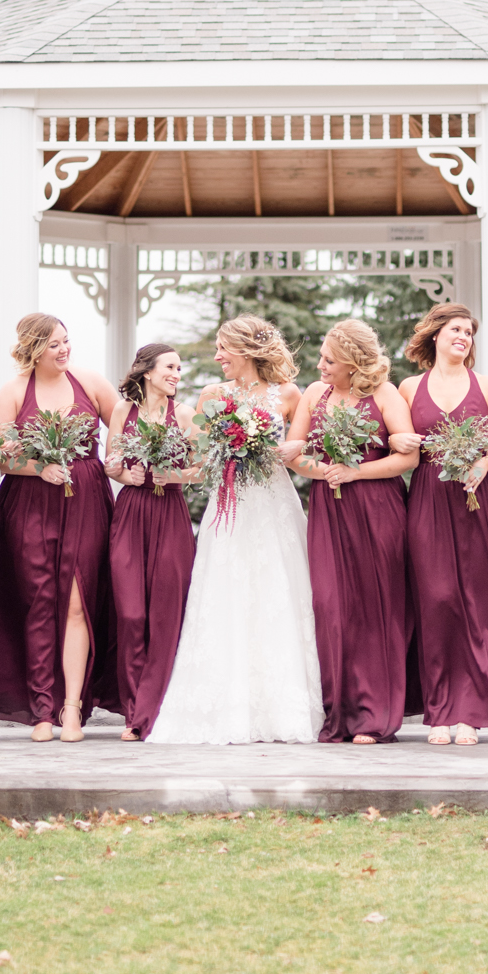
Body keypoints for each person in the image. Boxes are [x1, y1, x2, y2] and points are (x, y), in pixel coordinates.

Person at [149, 316, 323, 745]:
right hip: (230, 505)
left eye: (224, 348)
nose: (218, 357)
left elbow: (300, 452)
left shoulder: (287, 394)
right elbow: (203, 458)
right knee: (225, 592)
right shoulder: (213, 395)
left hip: (275, 505)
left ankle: (282, 707)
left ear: (246, 349)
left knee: (279, 593)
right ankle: (227, 705)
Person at [0, 314, 119, 743]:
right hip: (29, 504)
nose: (64, 350)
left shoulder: (91, 382)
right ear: (32, 349)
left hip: (86, 500)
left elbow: (128, 428)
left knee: (79, 601)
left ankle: (73, 708)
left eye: (67, 341)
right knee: (39, 602)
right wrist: (36, 467)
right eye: (54, 345)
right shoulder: (12, 393)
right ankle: (41, 708)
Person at [286, 320, 418, 743]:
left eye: (329, 359)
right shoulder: (313, 394)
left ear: (353, 363)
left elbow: (407, 459)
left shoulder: (385, 395)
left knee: (375, 606)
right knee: (331, 606)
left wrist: (356, 471)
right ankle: (339, 712)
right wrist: (324, 471)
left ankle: (375, 714)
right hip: (329, 509)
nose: (320, 365)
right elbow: (294, 453)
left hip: (378, 509)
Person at [400, 302, 488, 746]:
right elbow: (400, 444)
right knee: (437, 600)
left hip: (476, 499)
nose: (463, 337)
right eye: (454, 330)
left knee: (477, 602)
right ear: (435, 335)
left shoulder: (487, 386)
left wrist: (485, 463)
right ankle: (440, 711)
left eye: (468, 332)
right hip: (428, 499)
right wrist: (400, 439)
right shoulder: (410, 387)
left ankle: (472, 710)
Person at [104, 342, 197, 743]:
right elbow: (113, 463)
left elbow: (202, 469)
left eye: (179, 368)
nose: (176, 374)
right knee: (130, 615)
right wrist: (125, 474)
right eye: (170, 367)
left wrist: (174, 477)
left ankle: (151, 711)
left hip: (171, 515)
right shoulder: (124, 411)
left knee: (164, 614)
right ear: (146, 370)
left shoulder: (187, 415)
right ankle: (132, 706)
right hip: (130, 514)